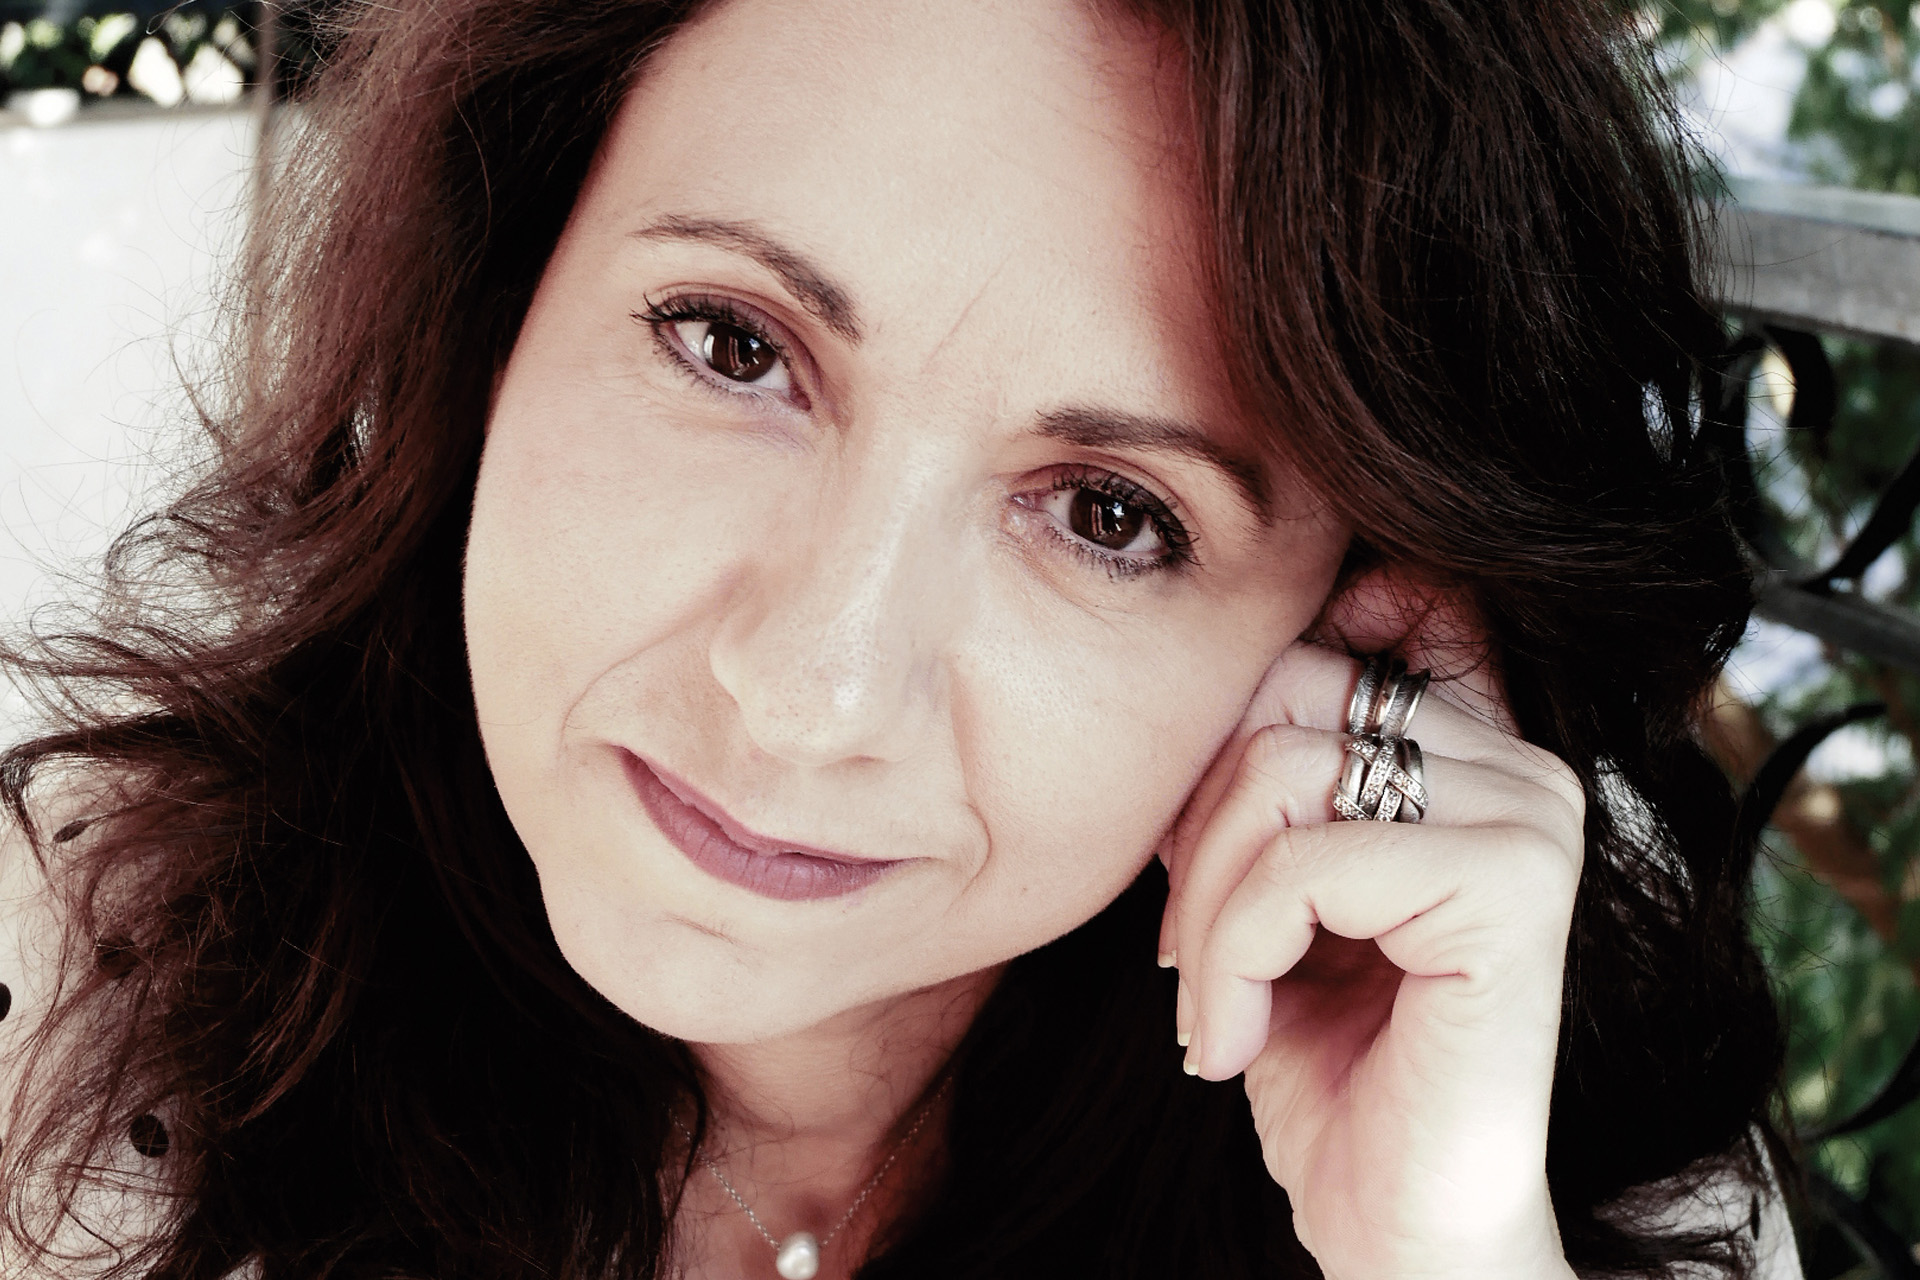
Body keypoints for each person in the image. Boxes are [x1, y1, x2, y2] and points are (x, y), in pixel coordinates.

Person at [0, 0, 1802, 1276]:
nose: (811, 693)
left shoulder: (1558, 1169)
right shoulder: (67, 980)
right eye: (731, 345)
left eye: (1110, 513)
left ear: (1365, 624)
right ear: (497, 300)